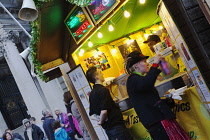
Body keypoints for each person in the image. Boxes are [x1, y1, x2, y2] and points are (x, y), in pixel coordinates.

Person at [125, 50, 190, 140]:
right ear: (136, 66)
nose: (147, 63)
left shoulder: (139, 79)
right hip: (156, 123)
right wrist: (155, 64)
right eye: (144, 61)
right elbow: (147, 83)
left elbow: (150, 100)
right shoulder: (133, 79)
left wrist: (169, 99)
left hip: (159, 120)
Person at [86, 67, 133, 140]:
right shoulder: (103, 90)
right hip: (116, 126)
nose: (103, 74)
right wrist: (101, 121)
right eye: (100, 72)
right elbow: (104, 111)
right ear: (96, 77)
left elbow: (92, 115)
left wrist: (100, 121)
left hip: (108, 129)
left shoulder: (92, 94)